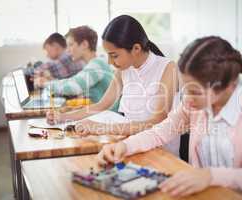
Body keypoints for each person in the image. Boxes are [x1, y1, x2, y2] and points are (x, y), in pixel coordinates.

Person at [97, 36, 242, 200]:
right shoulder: (193, 104)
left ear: (228, 87)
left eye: (195, 92)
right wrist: (125, 146)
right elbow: (159, 133)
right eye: (186, 89)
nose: (188, 98)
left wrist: (210, 176)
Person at [47, 15, 178, 137]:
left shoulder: (168, 68)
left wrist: (102, 127)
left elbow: (156, 122)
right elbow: (101, 105)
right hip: (132, 143)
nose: (110, 62)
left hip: (161, 152)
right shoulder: (125, 69)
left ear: (136, 49)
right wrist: (62, 117)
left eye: (114, 55)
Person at [39, 26, 113, 105]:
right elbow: (72, 81)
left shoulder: (97, 65)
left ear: (84, 44)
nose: (68, 50)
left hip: (106, 115)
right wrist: (50, 82)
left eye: (71, 45)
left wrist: (45, 84)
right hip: (100, 113)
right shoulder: (94, 63)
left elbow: (74, 87)